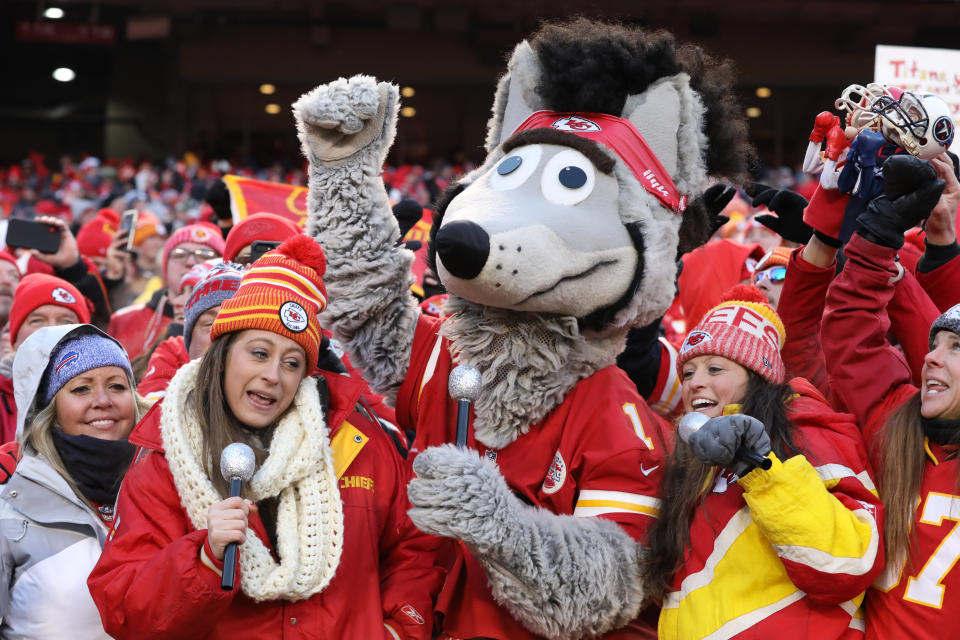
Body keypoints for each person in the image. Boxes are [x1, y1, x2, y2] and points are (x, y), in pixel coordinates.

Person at [88, 236, 441, 639]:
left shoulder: (355, 440)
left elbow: (412, 551)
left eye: (292, 362)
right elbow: (124, 611)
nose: (274, 375)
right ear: (222, 355)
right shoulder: (167, 456)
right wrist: (203, 555)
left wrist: (398, 629)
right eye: (259, 353)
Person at [644, 285, 883, 639]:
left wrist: (758, 467)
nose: (695, 383)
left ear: (758, 377)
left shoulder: (808, 430)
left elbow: (849, 561)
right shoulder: (691, 464)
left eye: (714, 368)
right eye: (688, 372)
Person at [821, 154, 960, 638]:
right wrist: (878, 237)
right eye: (934, 345)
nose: (931, 358)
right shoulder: (896, 423)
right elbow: (850, 337)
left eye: (956, 348)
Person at [0, 324, 147, 639]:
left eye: (117, 386)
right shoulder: (10, 504)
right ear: (51, 410)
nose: (102, 400)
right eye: (81, 388)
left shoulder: (168, 490)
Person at [108, 222, 224, 361]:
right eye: (180, 254)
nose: (191, 262)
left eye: (205, 255)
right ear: (165, 265)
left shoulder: (230, 324)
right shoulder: (122, 320)